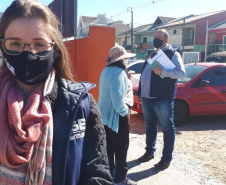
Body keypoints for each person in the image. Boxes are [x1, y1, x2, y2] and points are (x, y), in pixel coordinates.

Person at [0, 0, 113, 185]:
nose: (29, 53)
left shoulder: (81, 104)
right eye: (15, 43)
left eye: (39, 44)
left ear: (55, 49)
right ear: (3, 47)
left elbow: (97, 173)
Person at [137, 29, 186, 169]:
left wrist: (162, 71)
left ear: (166, 40)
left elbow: (181, 73)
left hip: (162, 98)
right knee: (150, 125)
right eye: (155, 36)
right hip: (147, 97)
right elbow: (145, 74)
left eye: (159, 37)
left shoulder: (173, 54)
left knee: (167, 128)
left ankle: (166, 159)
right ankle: (149, 152)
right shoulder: (152, 53)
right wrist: (141, 92)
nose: (156, 38)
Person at [98, 45, 137, 185]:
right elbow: (117, 98)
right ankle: (121, 178)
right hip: (117, 116)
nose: (126, 60)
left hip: (105, 116)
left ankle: (110, 174)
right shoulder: (118, 73)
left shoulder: (106, 70)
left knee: (109, 147)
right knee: (121, 147)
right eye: (125, 58)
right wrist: (124, 112)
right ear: (121, 59)